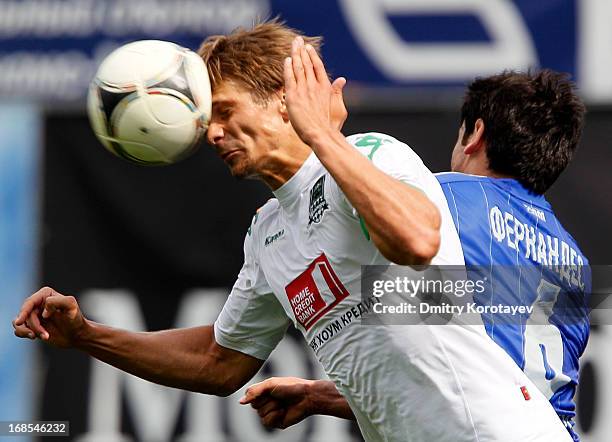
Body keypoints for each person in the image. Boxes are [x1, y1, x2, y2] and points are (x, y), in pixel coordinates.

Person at [12, 21, 572, 441]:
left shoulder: (371, 153)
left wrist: (322, 135)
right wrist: (87, 334)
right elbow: (219, 361)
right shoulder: (269, 232)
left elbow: (418, 243)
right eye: (209, 120)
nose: (214, 132)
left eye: (226, 111)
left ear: (285, 99)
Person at [240, 70, 590, 441]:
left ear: (475, 135)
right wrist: (319, 395)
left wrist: (301, 192)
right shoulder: (573, 259)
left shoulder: (443, 201)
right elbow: (471, 373)